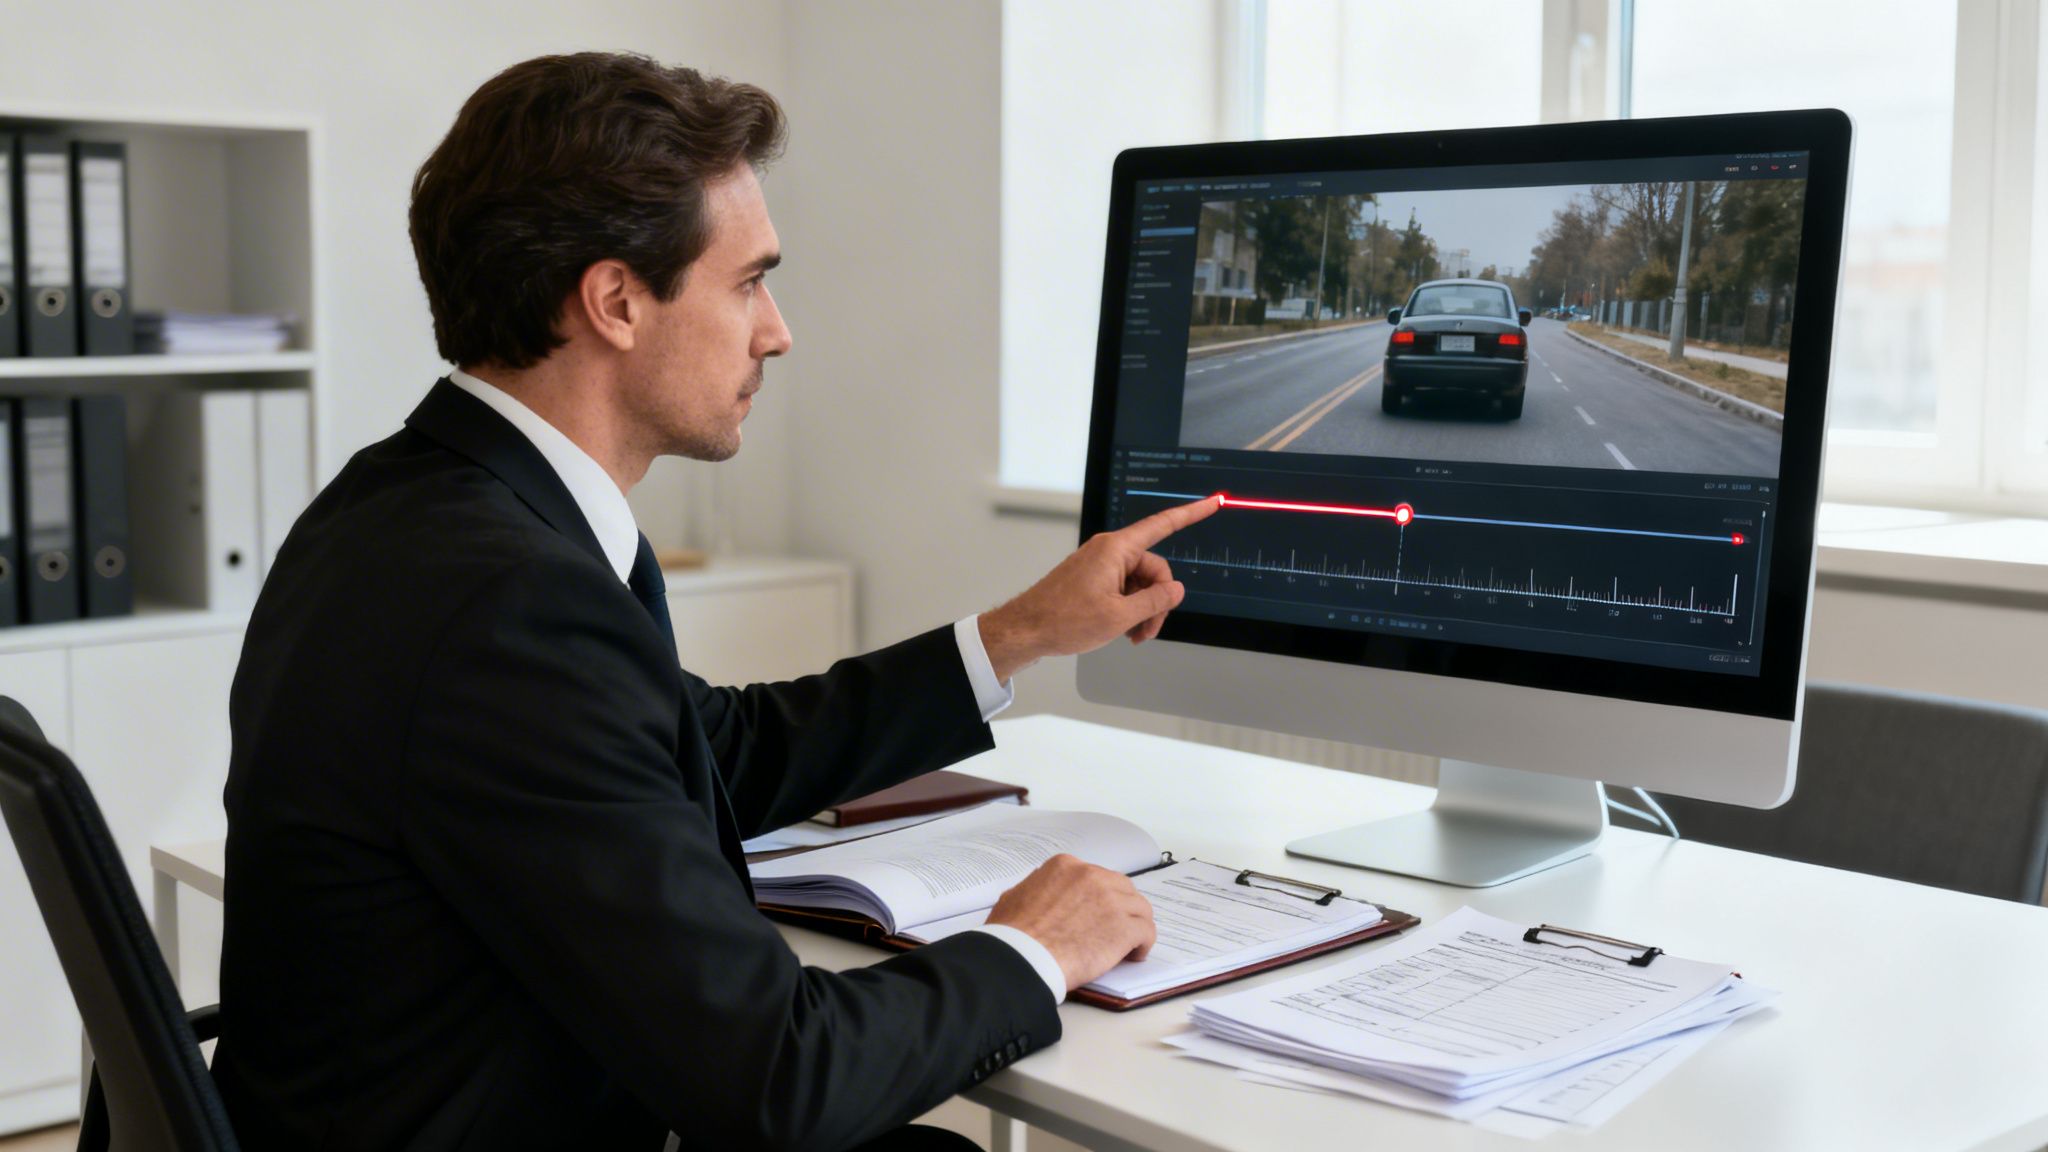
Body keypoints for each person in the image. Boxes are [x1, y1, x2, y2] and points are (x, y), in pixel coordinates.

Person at [211, 52, 1217, 1151]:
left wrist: (1017, 634)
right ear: (615, 301)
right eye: (746, 282)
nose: (775, 330)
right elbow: (779, 1081)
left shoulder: (417, 502)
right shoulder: (508, 604)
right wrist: (1033, 947)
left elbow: (700, 748)